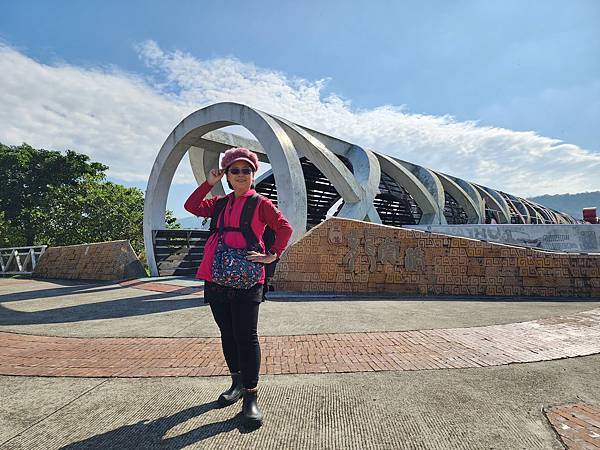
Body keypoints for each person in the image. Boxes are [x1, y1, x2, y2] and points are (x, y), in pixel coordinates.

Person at [184, 147, 293, 428]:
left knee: (247, 336)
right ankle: (236, 383)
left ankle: (250, 396)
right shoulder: (219, 203)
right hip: (218, 277)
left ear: (253, 174)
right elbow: (191, 207)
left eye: (246, 170)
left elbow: (284, 228)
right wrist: (209, 182)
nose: (241, 175)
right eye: (235, 170)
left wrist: (273, 254)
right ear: (228, 175)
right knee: (227, 333)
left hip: (247, 279)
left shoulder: (261, 204)